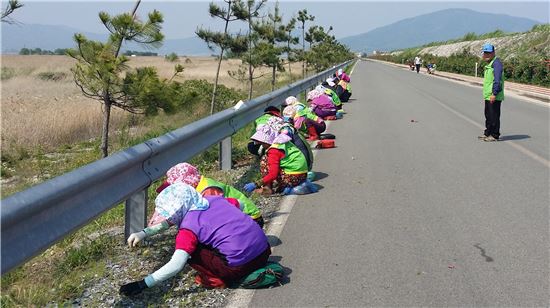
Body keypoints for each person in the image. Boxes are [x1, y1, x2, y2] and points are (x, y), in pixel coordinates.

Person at [120, 183, 271, 295]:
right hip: (264, 252)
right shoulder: (215, 199)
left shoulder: (188, 228)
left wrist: (142, 284)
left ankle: (216, 279)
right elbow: (242, 205)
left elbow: (176, 265)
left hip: (239, 267)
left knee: (191, 251)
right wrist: (143, 233)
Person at [155, 162, 264, 227]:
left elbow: (215, 215)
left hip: (250, 218)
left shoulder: (207, 190)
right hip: (241, 216)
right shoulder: (199, 184)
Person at [244, 121, 308, 195]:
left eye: (262, 143)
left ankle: (267, 188)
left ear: (266, 141)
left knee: (265, 160)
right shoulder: (281, 141)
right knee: (272, 162)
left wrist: (256, 184)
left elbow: (273, 174)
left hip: (293, 177)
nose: (261, 145)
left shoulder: (274, 151)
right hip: (303, 175)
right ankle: (281, 185)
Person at [478, 43, 504, 142]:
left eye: (489, 53)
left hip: (494, 96)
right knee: (488, 115)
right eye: (485, 53)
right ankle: (488, 133)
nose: (487, 55)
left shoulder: (496, 64)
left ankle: (494, 135)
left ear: (493, 53)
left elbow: (497, 80)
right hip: (488, 95)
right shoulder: (490, 64)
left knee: (494, 116)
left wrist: (494, 93)